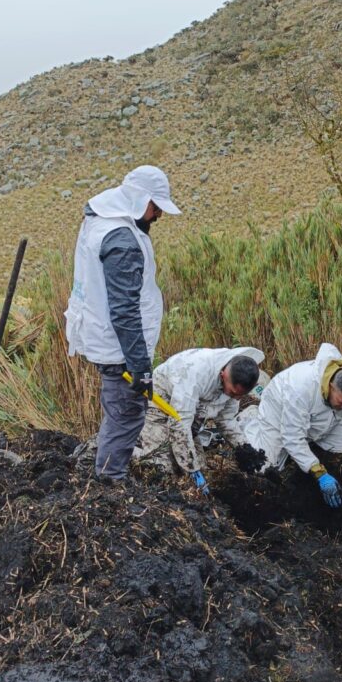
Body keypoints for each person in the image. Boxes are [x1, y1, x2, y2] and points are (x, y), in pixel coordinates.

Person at [65, 165, 181, 483]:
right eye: (155, 207)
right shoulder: (122, 242)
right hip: (118, 348)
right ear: (140, 199)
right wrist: (141, 367)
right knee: (127, 414)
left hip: (102, 336)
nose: (157, 215)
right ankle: (110, 482)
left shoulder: (99, 221)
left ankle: (109, 473)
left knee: (119, 411)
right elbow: (125, 312)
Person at [239, 342, 342, 508]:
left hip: (319, 421)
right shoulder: (300, 387)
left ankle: (307, 450)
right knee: (266, 468)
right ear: (331, 386)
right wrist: (319, 473)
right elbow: (292, 437)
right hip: (277, 414)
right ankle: (250, 418)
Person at [135, 347, 264, 493]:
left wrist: (245, 449)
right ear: (223, 375)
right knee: (160, 469)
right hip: (161, 401)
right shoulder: (196, 373)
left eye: (239, 396)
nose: (236, 398)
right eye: (233, 393)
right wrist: (192, 469)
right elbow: (179, 423)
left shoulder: (235, 383)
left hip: (191, 411)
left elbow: (226, 419)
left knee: (201, 467)